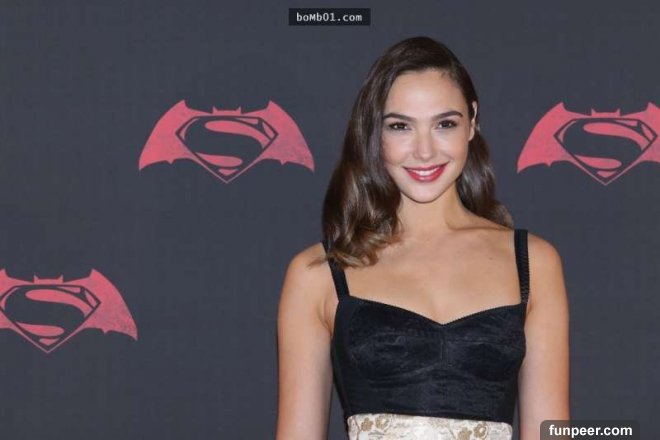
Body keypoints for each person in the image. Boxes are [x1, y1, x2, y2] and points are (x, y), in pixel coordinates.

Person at [276, 36, 569, 440]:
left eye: (445, 124)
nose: (425, 151)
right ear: (374, 133)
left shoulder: (534, 263)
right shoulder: (317, 275)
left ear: (472, 122)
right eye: (400, 127)